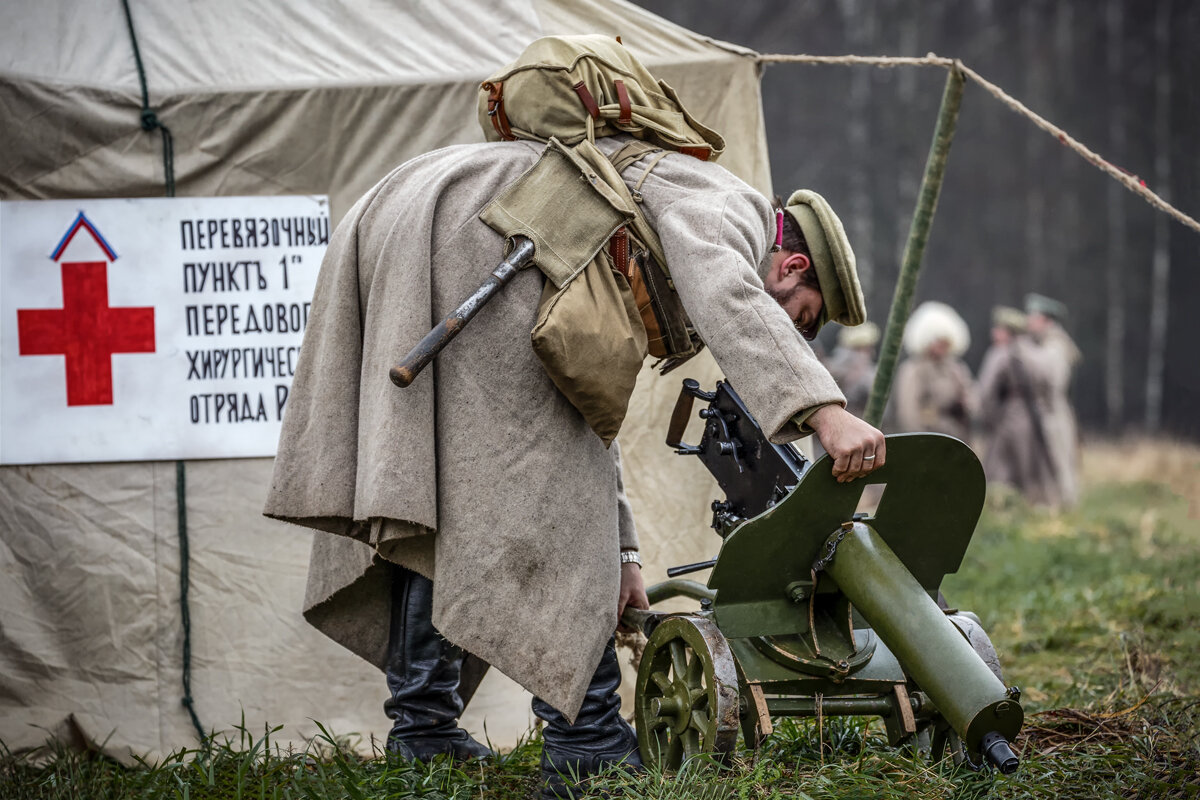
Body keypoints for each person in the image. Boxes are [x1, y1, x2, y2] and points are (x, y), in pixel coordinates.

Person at [263, 74, 884, 800]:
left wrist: (624, 553)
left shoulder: (651, 202)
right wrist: (824, 410)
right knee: (554, 497)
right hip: (471, 235)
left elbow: (587, 409)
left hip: (412, 215)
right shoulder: (734, 211)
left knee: (434, 481)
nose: (792, 337)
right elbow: (731, 295)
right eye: (801, 318)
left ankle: (423, 732)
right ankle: (586, 741)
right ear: (794, 265)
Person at [975, 306, 1060, 507]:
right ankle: (1032, 502)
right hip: (1031, 415)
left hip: (1007, 415)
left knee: (1000, 466)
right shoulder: (1033, 352)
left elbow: (986, 392)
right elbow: (1048, 384)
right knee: (1030, 462)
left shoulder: (1000, 354)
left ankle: (1002, 504)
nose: (994, 333)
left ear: (1007, 332)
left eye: (998, 329)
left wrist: (988, 416)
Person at [1024, 293, 1082, 508]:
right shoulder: (1045, 343)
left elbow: (1051, 377)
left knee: (1059, 458)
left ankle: (1065, 504)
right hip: (1046, 412)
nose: (1029, 321)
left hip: (1053, 413)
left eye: (1034, 317)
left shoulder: (1055, 344)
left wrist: (1022, 350)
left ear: (1046, 320)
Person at [892, 301, 976, 440]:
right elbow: (908, 411)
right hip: (930, 437)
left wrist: (965, 406)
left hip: (957, 436)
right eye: (939, 341)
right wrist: (921, 438)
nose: (943, 346)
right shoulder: (913, 370)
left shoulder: (956, 369)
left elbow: (971, 397)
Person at [824, 321, 879, 418]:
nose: (865, 354)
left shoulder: (872, 372)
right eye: (859, 349)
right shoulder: (833, 371)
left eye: (868, 348)